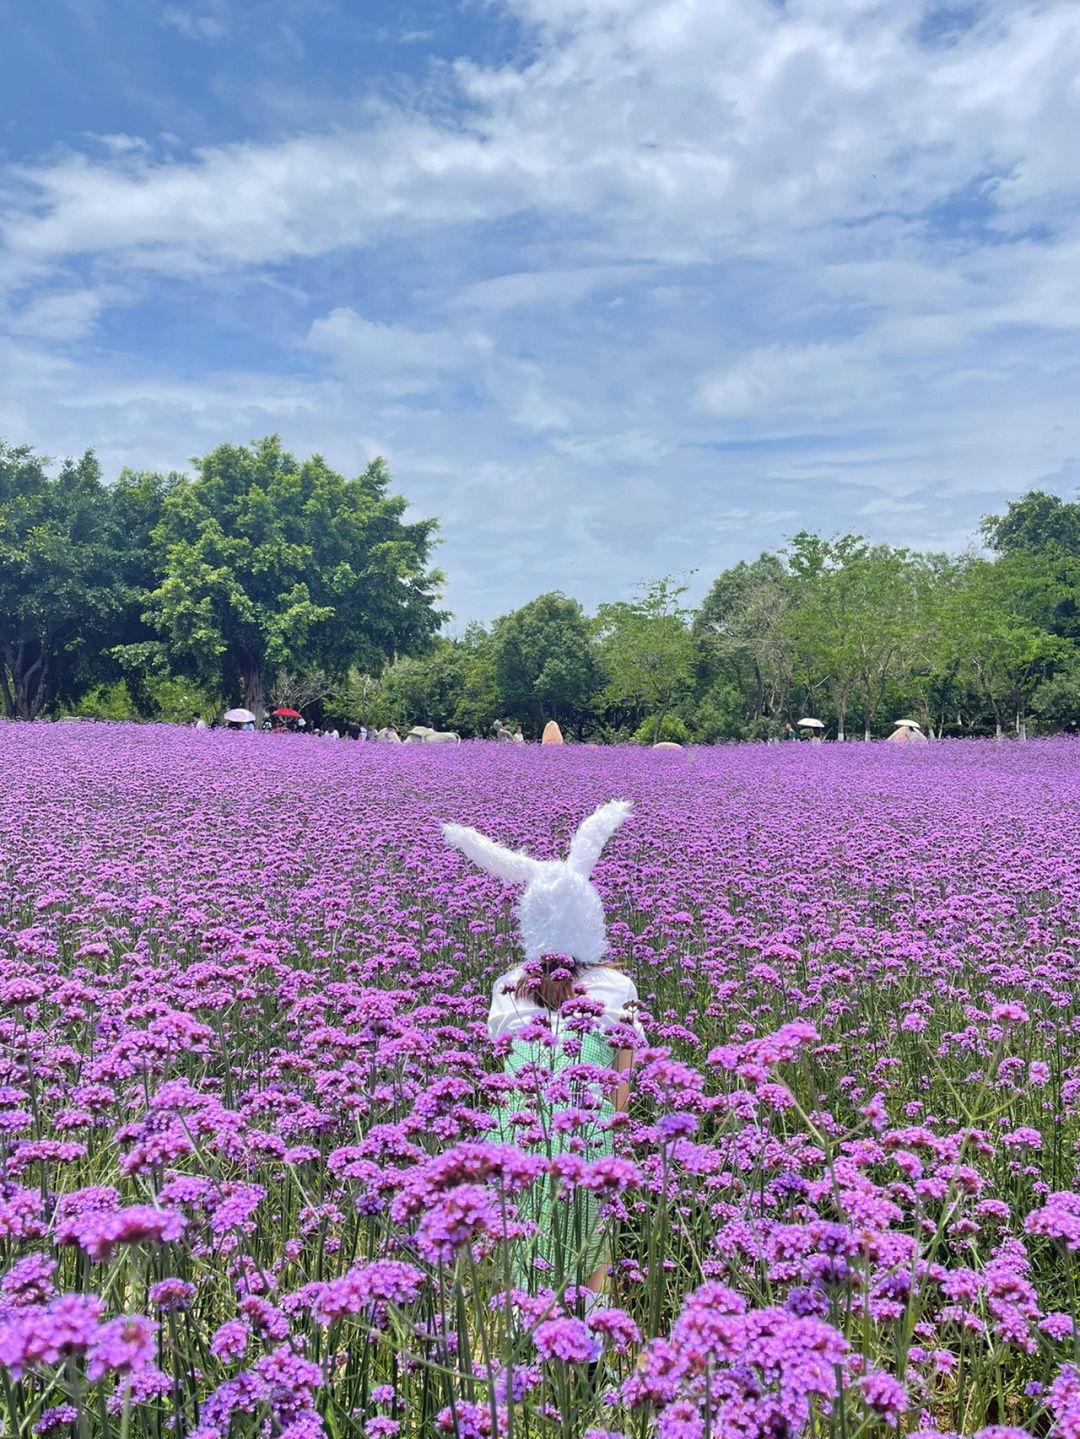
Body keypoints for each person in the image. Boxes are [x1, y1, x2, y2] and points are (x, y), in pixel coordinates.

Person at [444, 800, 643, 1306]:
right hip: (589, 1129)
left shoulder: (509, 985)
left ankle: (526, 1350)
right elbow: (623, 1080)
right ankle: (589, 1361)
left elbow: (500, 1068)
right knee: (590, 1252)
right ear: (590, 918)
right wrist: (610, 1140)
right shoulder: (617, 986)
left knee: (525, 1246)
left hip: (518, 1127)